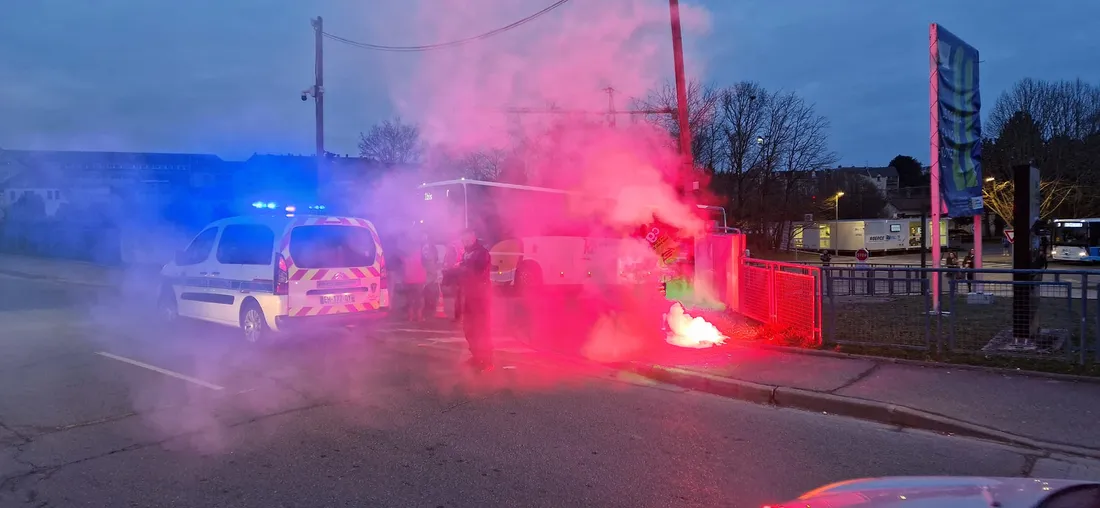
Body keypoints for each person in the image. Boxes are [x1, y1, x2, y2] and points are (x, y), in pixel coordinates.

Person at [446, 228, 493, 371]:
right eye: (463, 240)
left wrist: (458, 269)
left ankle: (487, 361)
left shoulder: (482, 253)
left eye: (467, 239)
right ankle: (477, 356)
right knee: (469, 328)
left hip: (480, 296)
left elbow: (476, 271)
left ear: (473, 237)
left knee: (481, 328)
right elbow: (464, 270)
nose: (464, 242)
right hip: (469, 296)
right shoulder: (467, 252)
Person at [401, 238, 428, 322]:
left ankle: (410, 317)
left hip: (408, 280)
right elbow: (426, 264)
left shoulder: (404, 256)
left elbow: (402, 266)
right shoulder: (421, 255)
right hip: (419, 280)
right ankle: (419, 317)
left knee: (410, 300)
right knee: (419, 299)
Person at [420, 233, 441, 319]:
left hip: (428, 269)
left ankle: (428, 307)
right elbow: (436, 258)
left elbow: (425, 258)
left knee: (426, 288)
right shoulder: (433, 247)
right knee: (430, 288)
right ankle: (430, 306)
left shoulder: (426, 246)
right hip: (432, 269)